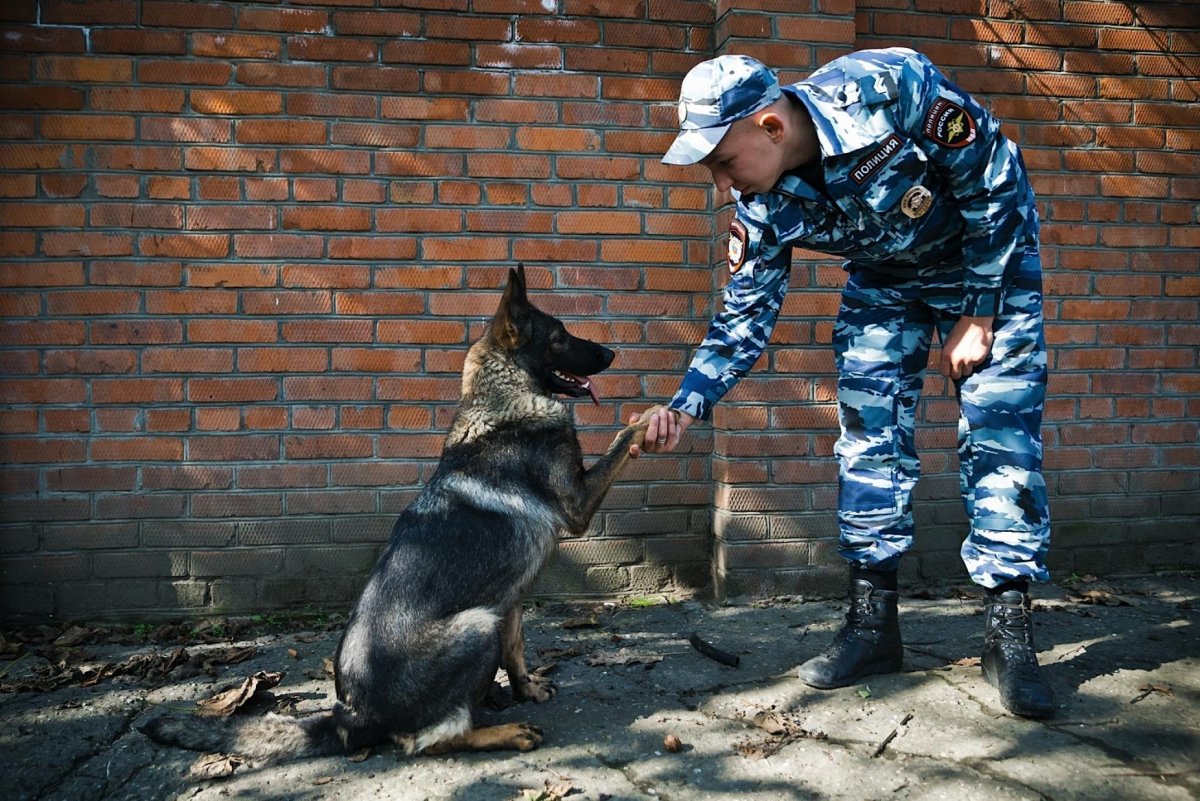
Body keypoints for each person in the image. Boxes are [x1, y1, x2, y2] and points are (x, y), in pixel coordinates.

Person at [632, 48, 1055, 718]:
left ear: (770, 127)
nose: (721, 185)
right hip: (885, 279)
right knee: (867, 436)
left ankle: (1010, 633)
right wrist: (687, 403)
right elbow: (744, 314)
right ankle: (871, 627)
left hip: (985, 264)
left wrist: (979, 313)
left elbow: (995, 177)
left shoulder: (889, 86)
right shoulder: (760, 203)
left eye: (723, 161)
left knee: (1000, 436)